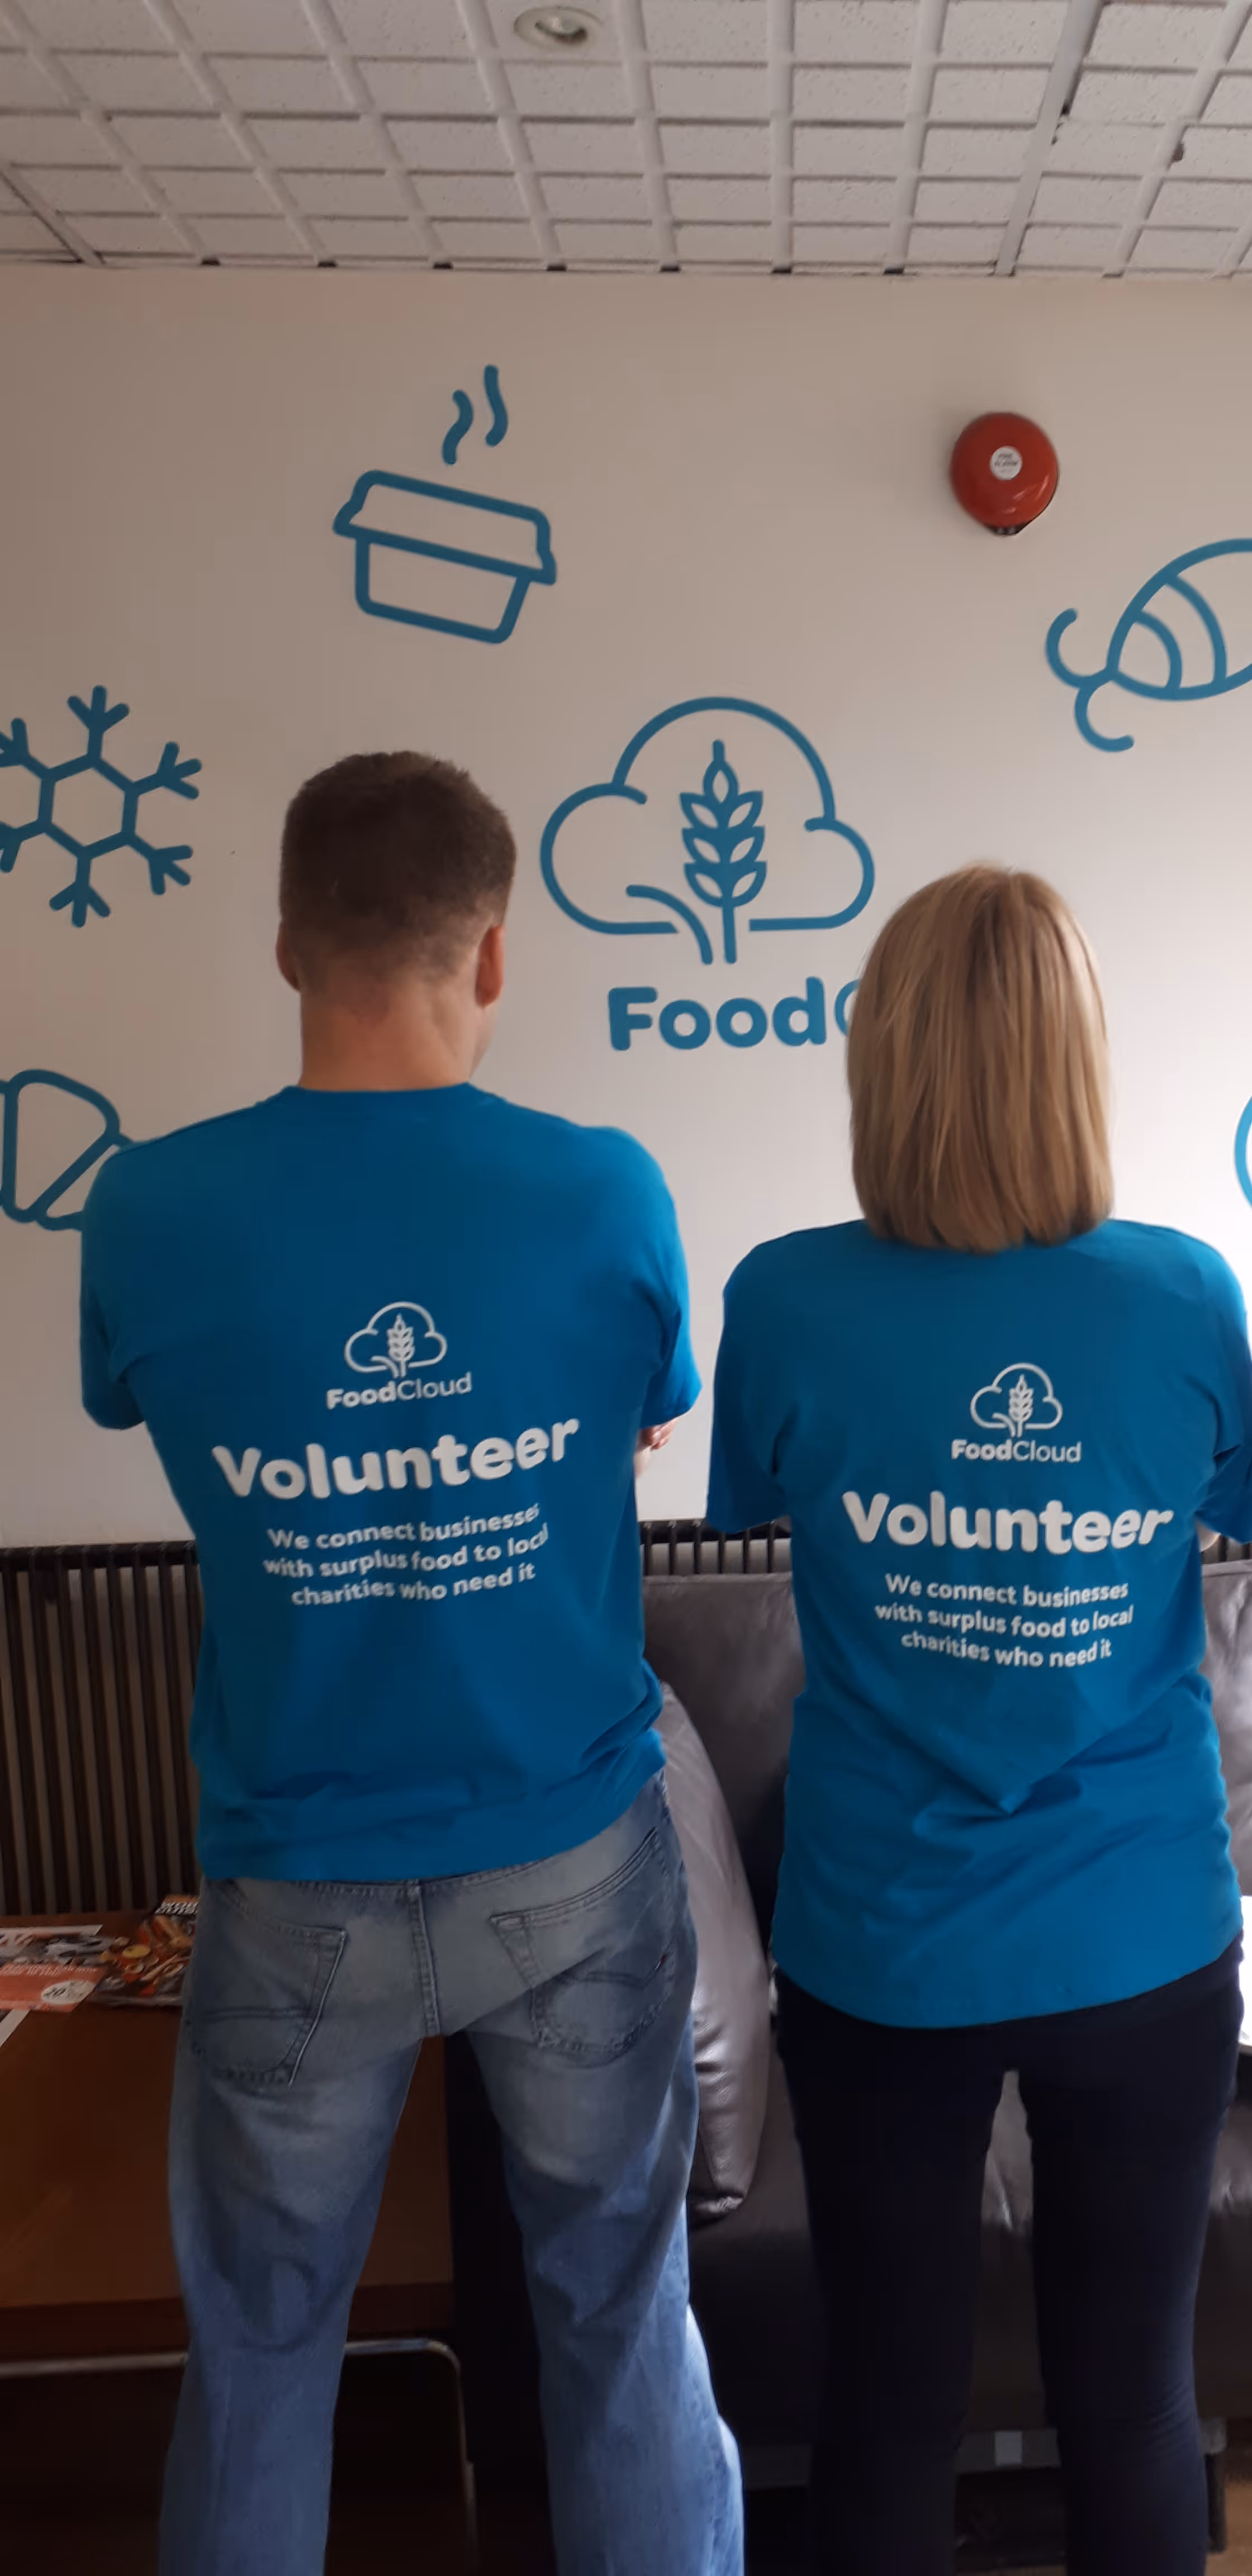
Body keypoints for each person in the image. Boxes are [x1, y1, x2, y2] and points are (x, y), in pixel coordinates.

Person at [78, 752, 741, 2576]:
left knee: (261, 2355)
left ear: (289, 944)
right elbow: (643, 1412)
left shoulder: (149, 1210)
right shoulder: (605, 1194)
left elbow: (137, 1394)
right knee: (621, 2321)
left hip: (298, 1877)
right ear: (496, 952)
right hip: (570, 1857)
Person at [705, 867, 1252, 2576]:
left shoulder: (787, 1300)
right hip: (1142, 1932)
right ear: (1078, 1063)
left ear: (883, 1065)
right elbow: (1213, 1519)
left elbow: (762, 1503)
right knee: (1135, 2404)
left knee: (887, 2408)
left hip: (886, 1943)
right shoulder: (1185, 1297)